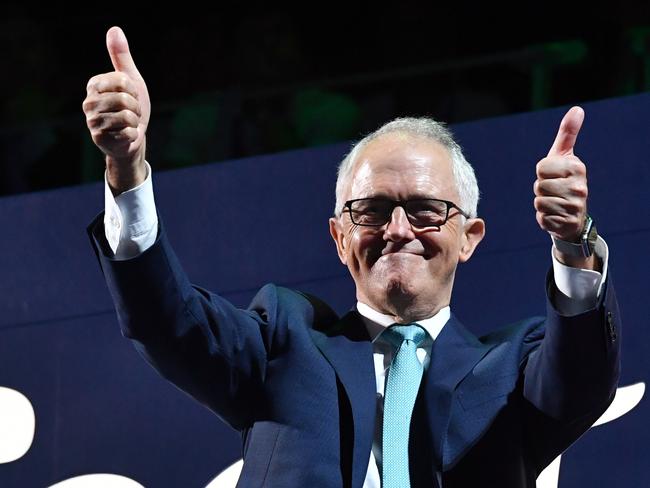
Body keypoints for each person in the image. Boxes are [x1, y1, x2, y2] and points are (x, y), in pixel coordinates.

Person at [83, 26, 621, 487]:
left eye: (427, 209)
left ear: (469, 237)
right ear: (340, 238)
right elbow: (167, 320)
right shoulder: (282, 344)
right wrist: (127, 170)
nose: (397, 230)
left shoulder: (513, 370)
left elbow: (581, 377)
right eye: (371, 211)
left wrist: (573, 242)